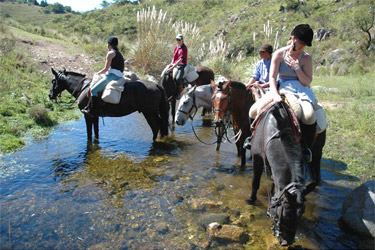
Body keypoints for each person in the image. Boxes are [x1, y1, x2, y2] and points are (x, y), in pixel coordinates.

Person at [269, 23, 317, 158]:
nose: (302, 46)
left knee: (309, 116)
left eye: (304, 44)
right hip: (282, 87)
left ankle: (306, 148)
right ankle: (252, 141)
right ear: (293, 38)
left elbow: (307, 81)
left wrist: (297, 68)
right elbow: (272, 78)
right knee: (253, 111)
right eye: (300, 42)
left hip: (302, 90)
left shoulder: (306, 58)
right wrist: (274, 94)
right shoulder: (278, 54)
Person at [82, 36, 124, 116]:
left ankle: (93, 111)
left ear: (109, 44)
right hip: (119, 76)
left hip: (112, 76)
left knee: (93, 90)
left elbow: (106, 69)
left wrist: (97, 73)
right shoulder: (119, 53)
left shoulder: (110, 53)